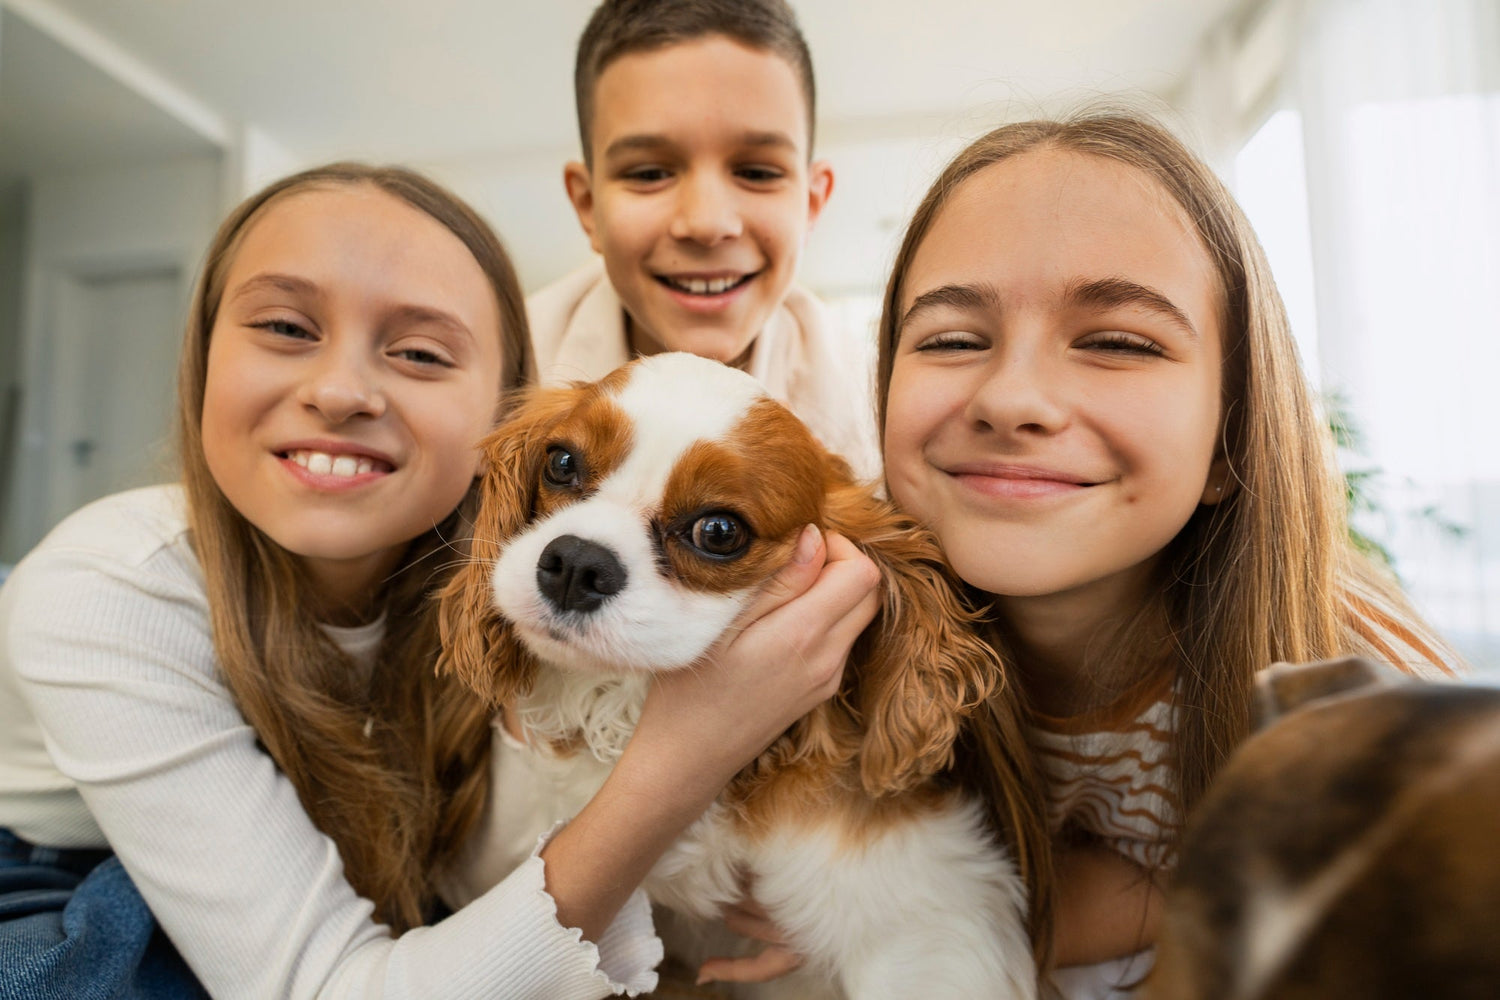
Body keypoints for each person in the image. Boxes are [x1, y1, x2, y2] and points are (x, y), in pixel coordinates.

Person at [0, 163, 879, 999]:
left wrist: (816, 897)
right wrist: (685, 761)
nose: (340, 390)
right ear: (199, 355)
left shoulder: (541, 556)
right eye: (285, 327)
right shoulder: (103, 585)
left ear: (507, 411)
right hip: (84, 881)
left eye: (420, 353)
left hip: (397, 893)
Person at [872, 111, 1457, 999]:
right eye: (951, 339)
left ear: (1230, 440)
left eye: (1116, 342)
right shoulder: (821, 634)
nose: (1011, 398)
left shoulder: (1363, 679)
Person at [527, 0, 880, 479]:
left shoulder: (878, 409)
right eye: (649, 173)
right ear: (588, 207)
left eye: (756, 172)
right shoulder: (497, 369)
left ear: (811, 204)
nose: (707, 223)